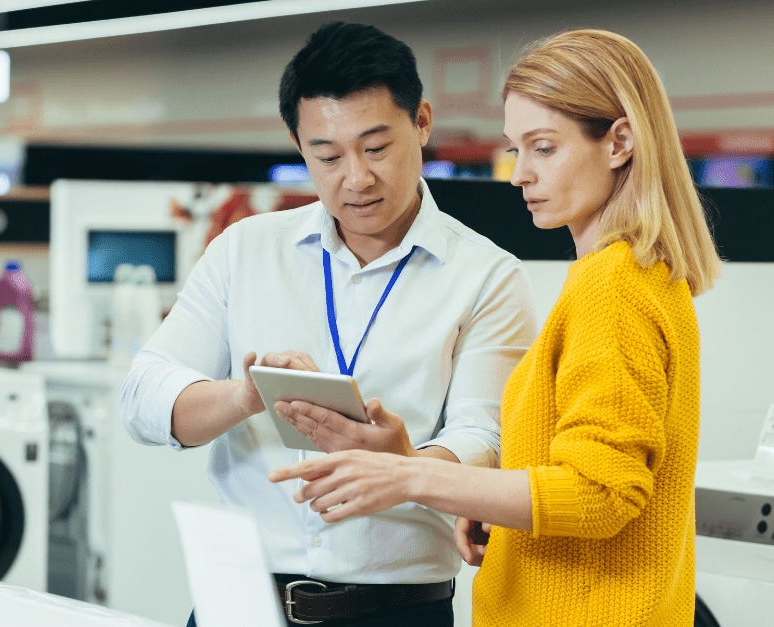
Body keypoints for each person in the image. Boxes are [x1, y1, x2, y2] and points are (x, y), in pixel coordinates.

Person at [270, 29, 722, 627]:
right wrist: (494, 501)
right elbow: (586, 477)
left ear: (619, 143)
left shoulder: (611, 286)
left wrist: (409, 476)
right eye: (517, 149)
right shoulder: (646, 274)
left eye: (543, 149)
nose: (519, 175)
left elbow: (601, 494)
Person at [118, 21, 540, 627]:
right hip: (238, 602)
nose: (356, 178)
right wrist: (245, 395)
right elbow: (141, 396)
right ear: (297, 143)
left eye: (376, 148)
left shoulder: (487, 275)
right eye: (327, 155)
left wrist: (407, 465)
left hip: (396, 609)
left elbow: (492, 438)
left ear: (422, 122)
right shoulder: (247, 250)